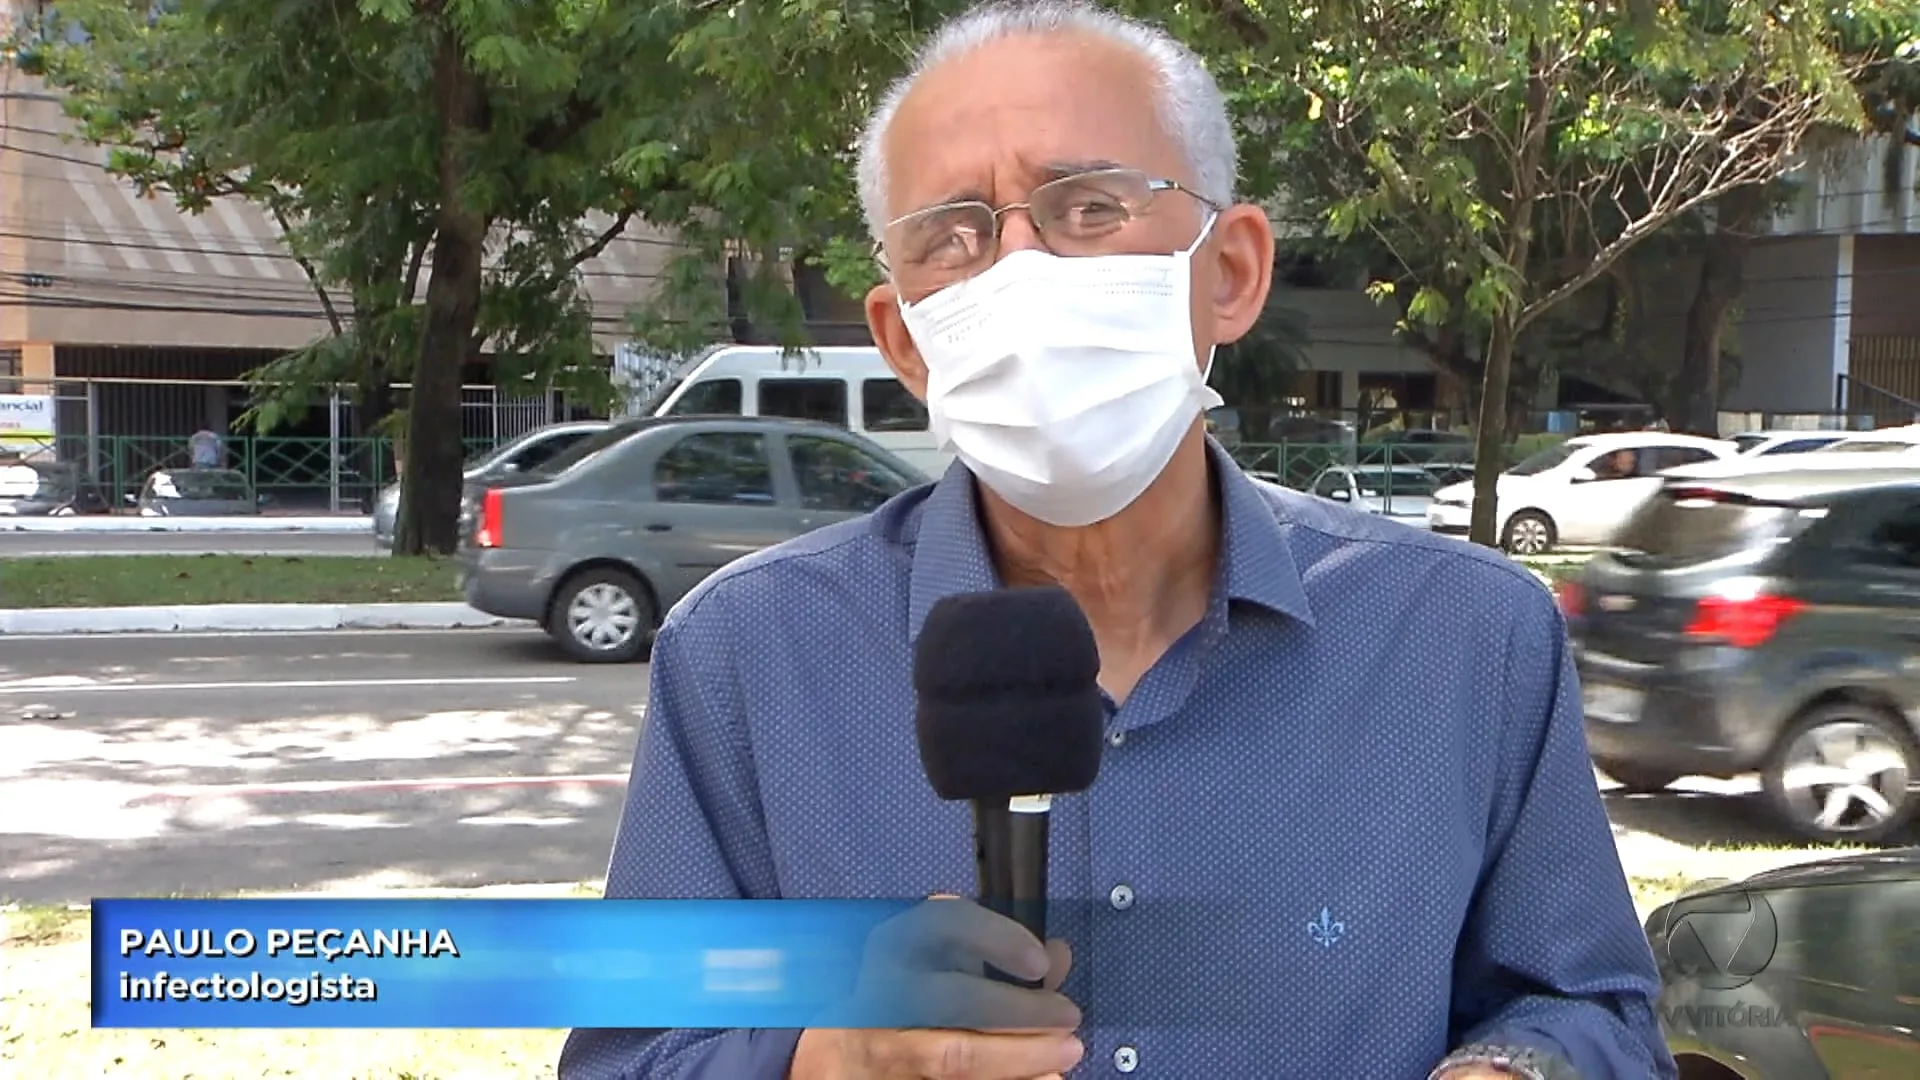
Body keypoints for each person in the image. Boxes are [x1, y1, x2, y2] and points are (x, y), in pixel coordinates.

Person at [560, 3, 1674, 1078]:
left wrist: (1516, 1072)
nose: (1019, 271)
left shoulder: (1467, 638)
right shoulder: (751, 655)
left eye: (1088, 208)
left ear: (1230, 270)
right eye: (952, 237)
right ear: (904, 340)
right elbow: (631, 1057)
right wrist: (827, 1061)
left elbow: (1594, 1014)